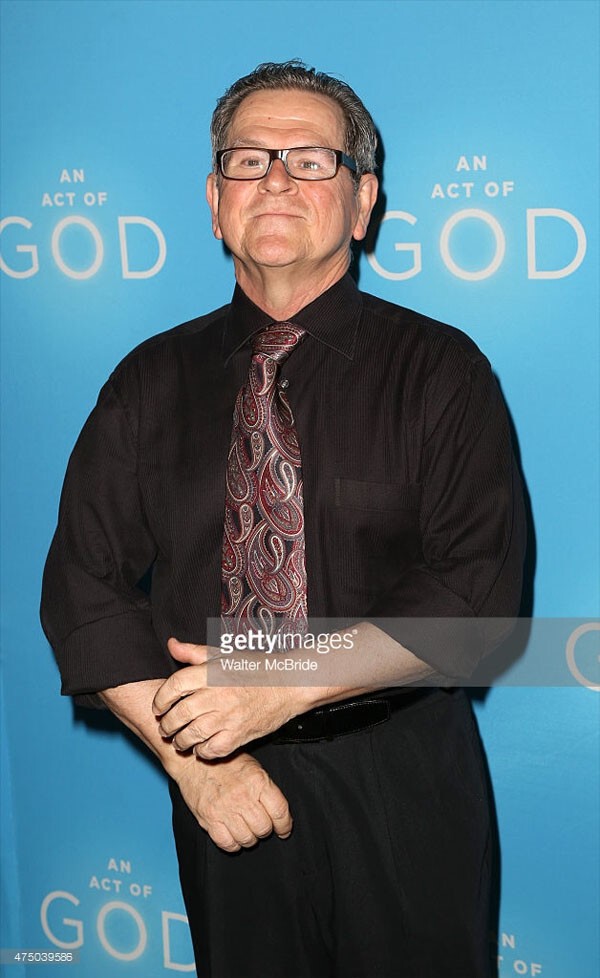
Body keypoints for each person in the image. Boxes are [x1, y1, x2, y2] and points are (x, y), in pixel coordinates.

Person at [41, 61, 526, 978]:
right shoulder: (148, 381)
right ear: (215, 202)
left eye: (310, 160)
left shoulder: (442, 371)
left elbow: (479, 599)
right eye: (248, 159)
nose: (274, 178)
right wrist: (195, 766)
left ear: (363, 200)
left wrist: (284, 679)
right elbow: (81, 585)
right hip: (223, 789)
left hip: (404, 782)